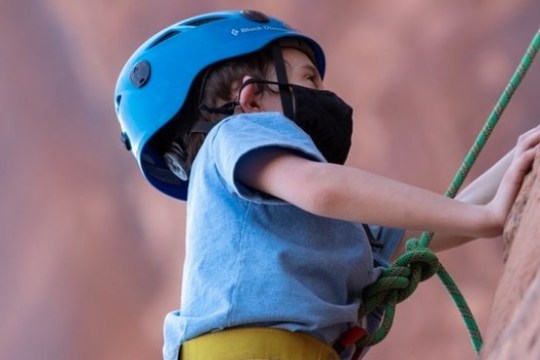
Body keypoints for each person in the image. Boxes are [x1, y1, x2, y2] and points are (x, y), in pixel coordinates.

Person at [114, 10, 540, 360]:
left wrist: (518, 160)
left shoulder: (305, 224)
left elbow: (437, 225)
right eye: (308, 80)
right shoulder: (235, 133)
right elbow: (322, 188)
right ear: (251, 98)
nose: (324, 95)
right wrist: (482, 217)